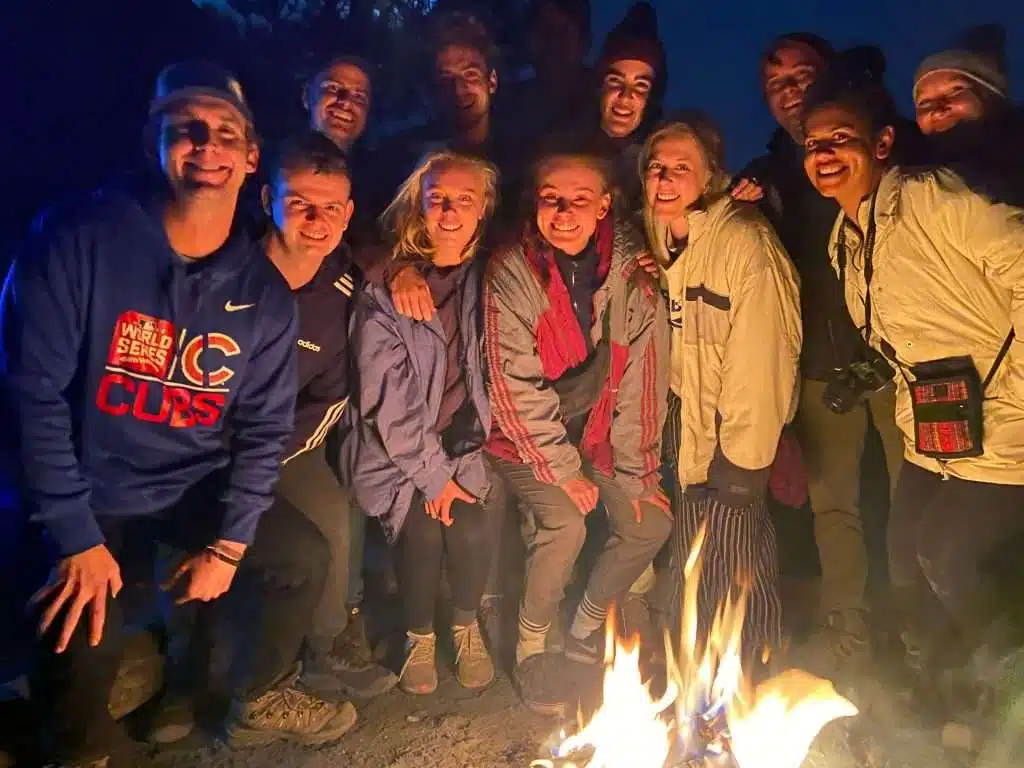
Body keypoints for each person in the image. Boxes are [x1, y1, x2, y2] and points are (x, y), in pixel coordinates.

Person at [0, 62, 359, 766]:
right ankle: (76, 749)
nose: (208, 144)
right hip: (85, 484)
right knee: (80, 621)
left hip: (188, 476)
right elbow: (31, 395)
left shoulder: (262, 296)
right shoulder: (78, 240)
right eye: (185, 129)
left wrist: (228, 547)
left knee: (299, 556)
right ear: (152, 142)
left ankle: (250, 697)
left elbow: (260, 430)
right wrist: (75, 537)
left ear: (249, 154)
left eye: (226, 131)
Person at [802, 60, 1024, 722]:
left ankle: (1007, 712)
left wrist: (1012, 388)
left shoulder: (932, 196)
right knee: (905, 561)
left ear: (882, 143)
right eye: (813, 145)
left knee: (954, 559)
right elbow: (904, 333)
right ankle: (944, 715)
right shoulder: (850, 235)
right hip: (935, 431)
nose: (824, 154)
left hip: (1006, 425)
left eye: (840, 137)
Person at [736, 35, 904, 670]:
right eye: (777, 82)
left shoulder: (881, 150)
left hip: (892, 359)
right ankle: (851, 635)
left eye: (803, 75)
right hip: (816, 364)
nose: (791, 90)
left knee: (909, 497)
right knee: (835, 505)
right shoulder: (766, 174)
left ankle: (916, 628)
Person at [483, 146, 671, 712]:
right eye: (551, 199)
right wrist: (561, 471)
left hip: (595, 430)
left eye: (579, 200)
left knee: (650, 522)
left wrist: (637, 471)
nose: (564, 212)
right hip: (522, 436)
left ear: (605, 205)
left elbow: (642, 377)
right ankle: (534, 645)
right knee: (564, 523)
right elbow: (510, 384)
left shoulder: (632, 272)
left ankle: (588, 623)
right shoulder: (511, 271)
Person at [640, 114, 801, 668]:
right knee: (692, 552)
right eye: (656, 166)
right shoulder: (661, 237)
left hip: (732, 428)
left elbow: (766, 357)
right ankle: (699, 677)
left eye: (681, 167)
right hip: (686, 420)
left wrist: (747, 455)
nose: (664, 178)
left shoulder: (744, 242)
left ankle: (752, 670)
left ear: (710, 176)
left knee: (737, 556)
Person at [339, 151, 500, 696]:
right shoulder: (385, 294)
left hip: (461, 446)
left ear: (484, 209)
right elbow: (392, 408)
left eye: (465, 200)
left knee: (475, 525)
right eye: (438, 200)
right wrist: (434, 478)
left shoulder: (487, 277)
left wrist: (453, 468)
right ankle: (419, 636)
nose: (450, 211)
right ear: (418, 207)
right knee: (424, 530)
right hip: (395, 453)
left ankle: (464, 624)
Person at [912, 24, 1024, 205]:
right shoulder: (913, 184)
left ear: (992, 96)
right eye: (924, 102)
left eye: (955, 90)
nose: (938, 110)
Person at [588, 1, 667, 212]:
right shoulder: (567, 147)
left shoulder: (662, 158)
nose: (626, 95)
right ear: (599, 87)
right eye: (615, 81)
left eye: (640, 86)